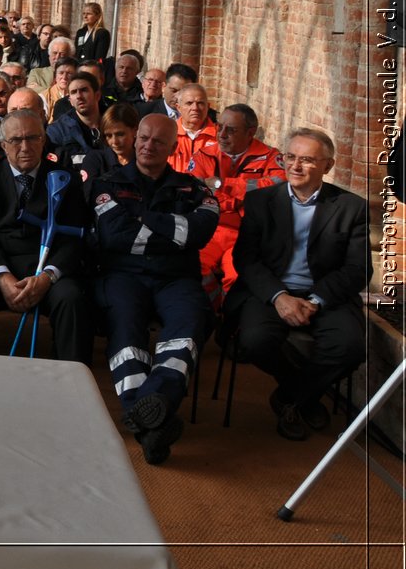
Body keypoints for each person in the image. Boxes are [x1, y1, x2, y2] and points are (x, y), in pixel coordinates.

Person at [89, 114, 218, 465]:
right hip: (123, 276)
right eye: (143, 138)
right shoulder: (107, 184)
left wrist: (143, 220)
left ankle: (147, 410)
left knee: (189, 326)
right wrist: (173, 232)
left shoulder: (194, 188)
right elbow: (115, 236)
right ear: (135, 139)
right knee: (126, 331)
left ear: (173, 148)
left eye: (158, 141)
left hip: (177, 279)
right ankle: (152, 418)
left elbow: (200, 232)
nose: (148, 146)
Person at [228, 127, 370, 440]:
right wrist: (279, 297)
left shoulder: (351, 207)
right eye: (290, 157)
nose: (295, 166)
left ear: (327, 166)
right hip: (270, 291)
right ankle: (304, 396)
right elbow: (246, 260)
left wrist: (316, 300)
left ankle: (291, 398)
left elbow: (358, 269)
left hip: (324, 295)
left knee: (351, 347)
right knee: (254, 341)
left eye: (306, 160)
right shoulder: (260, 201)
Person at [0, 108, 93, 362]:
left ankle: (72, 379)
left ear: (44, 141)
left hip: (46, 267)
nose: (25, 146)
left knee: (71, 299)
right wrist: (2, 276)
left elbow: (74, 238)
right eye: (16, 140)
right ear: (4, 145)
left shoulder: (65, 178)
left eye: (33, 138)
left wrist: (47, 277)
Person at [198, 103, 286, 305]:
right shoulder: (204, 154)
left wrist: (223, 185)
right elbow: (192, 187)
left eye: (231, 129)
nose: (222, 134)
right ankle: (209, 316)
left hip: (246, 234)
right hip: (211, 229)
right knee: (194, 268)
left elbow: (276, 186)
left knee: (238, 277)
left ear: (251, 132)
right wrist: (243, 195)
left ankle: (231, 324)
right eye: (220, 126)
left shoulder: (270, 157)